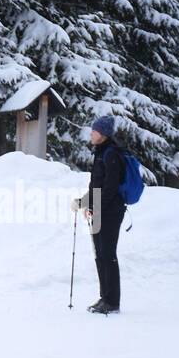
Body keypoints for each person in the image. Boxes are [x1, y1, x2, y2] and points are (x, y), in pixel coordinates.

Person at [72, 116, 125, 314]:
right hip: (100, 210)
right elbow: (96, 185)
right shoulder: (100, 153)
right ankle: (105, 297)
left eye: (94, 131)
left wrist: (95, 207)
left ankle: (113, 302)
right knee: (100, 255)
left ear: (102, 134)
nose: (91, 134)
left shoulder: (111, 154)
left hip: (111, 211)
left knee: (108, 254)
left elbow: (110, 189)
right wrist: (84, 202)